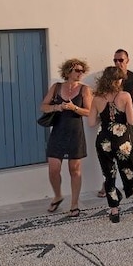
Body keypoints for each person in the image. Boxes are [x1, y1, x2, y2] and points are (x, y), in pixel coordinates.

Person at [89, 66, 133, 223]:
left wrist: (106, 118)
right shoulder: (125, 96)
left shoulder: (97, 98)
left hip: (103, 141)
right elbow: (131, 120)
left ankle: (114, 211)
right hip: (122, 142)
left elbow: (91, 122)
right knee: (131, 170)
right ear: (117, 80)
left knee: (108, 174)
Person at [40, 58, 92, 218]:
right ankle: (58, 195)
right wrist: (58, 107)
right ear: (68, 71)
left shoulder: (85, 89)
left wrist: (74, 107)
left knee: (74, 170)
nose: (80, 73)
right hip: (58, 132)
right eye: (77, 70)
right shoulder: (56, 87)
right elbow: (43, 106)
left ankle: (74, 204)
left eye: (82, 71)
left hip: (75, 132)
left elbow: (89, 111)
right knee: (53, 169)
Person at [98, 48, 133, 198]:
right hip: (110, 123)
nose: (117, 62)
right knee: (108, 155)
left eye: (120, 60)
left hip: (127, 120)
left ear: (127, 60)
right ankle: (109, 185)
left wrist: (129, 111)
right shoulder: (110, 77)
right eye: (115, 60)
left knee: (130, 151)